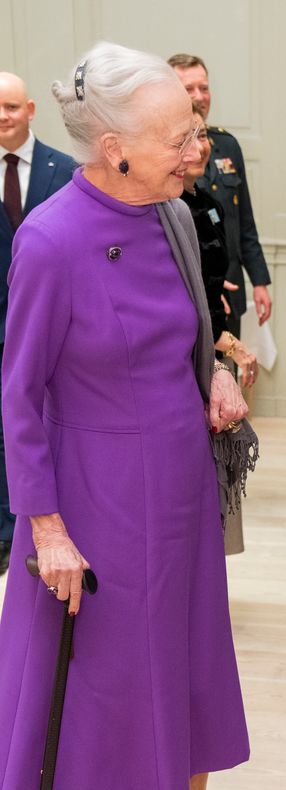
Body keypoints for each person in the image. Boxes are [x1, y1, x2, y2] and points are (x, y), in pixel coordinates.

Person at [0, 42, 257, 790]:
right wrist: (46, 528)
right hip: (93, 498)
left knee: (191, 669)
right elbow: (18, 395)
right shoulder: (51, 240)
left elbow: (186, 338)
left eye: (195, 130)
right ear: (113, 148)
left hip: (181, 488)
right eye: (177, 136)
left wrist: (212, 377)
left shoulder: (177, 217)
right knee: (99, 689)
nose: (197, 148)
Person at [0, 71, 77, 576]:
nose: (2, 117)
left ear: (30, 110)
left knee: (34, 425)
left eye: (10, 107)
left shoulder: (65, 170)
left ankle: (25, 527)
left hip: (45, 329)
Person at [169, 53, 272, 339]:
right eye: (189, 89)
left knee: (231, 363)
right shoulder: (166, 152)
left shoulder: (227, 145)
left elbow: (244, 220)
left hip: (231, 283)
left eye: (204, 87)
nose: (199, 96)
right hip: (191, 292)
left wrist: (259, 280)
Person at [180, 104, 259, 385]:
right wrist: (231, 345)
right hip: (186, 350)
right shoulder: (166, 209)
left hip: (212, 337)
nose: (199, 149)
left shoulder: (209, 204)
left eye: (202, 136)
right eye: (187, 139)